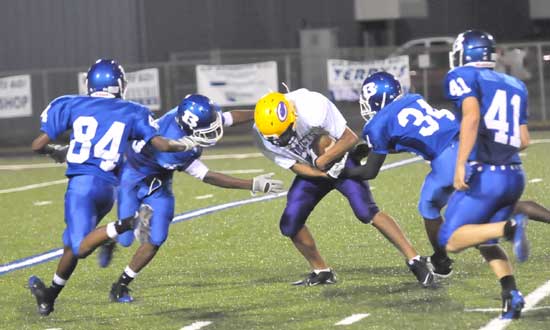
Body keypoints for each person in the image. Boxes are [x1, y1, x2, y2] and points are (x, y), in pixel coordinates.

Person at [27, 59, 198, 316]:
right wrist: (185, 145)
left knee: (80, 248)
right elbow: (161, 144)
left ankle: (128, 223)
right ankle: (49, 296)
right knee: (70, 244)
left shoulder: (70, 103)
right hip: (109, 189)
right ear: (119, 85)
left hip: (82, 186)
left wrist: (55, 151)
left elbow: (37, 145)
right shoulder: (133, 110)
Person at [342, 71, 550, 279]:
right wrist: (370, 150)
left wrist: (342, 172)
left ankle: (442, 261)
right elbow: (411, 136)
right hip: (472, 144)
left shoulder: (376, 125)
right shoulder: (413, 99)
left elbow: (370, 172)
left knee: (430, 206)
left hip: (448, 159)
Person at [100, 94, 284, 302]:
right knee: (126, 239)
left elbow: (230, 117)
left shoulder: (195, 118)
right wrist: (252, 184)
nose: (215, 132)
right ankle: (110, 237)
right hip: (132, 179)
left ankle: (121, 285)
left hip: (160, 180)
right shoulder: (172, 147)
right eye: (208, 131)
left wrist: (260, 114)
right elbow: (207, 176)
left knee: (156, 237)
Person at [253, 89, 434, 287]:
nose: (280, 140)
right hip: (314, 170)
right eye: (274, 137)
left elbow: (349, 138)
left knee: (366, 211)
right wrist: (322, 173)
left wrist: (326, 160)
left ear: (293, 114)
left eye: (284, 132)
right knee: (289, 223)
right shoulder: (262, 134)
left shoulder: (312, 106)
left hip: (341, 160)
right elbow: (295, 166)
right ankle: (322, 271)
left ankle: (414, 260)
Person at [442, 30, 530, 320]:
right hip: (514, 174)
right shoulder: (514, 83)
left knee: (452, 240)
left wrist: (461, 162)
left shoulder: (463, 76)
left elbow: (472, 116)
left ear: (465, 52)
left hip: (485, 174)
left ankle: (511, 228)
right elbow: (524, 139)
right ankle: (511, 294)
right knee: (483, 237)